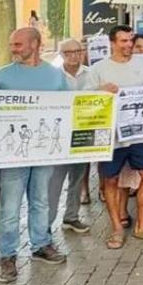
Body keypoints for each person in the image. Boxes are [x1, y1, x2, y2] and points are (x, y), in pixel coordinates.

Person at [0, 27, 69, 283]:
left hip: (43, 154)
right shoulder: (3, 75)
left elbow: (68, 108)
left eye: (18, 44)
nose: (14, 49)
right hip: (13, 156)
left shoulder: (55, 75)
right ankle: (7, 255)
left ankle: (41, 244)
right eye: (12, 44)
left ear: (35, 43)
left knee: (41, 200)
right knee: (10, 207)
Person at [86, 25, 143, 248]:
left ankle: (141, 226)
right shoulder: (99, 68)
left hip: (139, 132)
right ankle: (117, 228)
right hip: (111, 135)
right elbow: (86, 99)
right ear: (112, 43)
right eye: (123, 41)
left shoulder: (141, 66)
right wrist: (100, 90)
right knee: (110, 180)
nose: (128, 45)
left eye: (130, 41)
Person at [47, 38, 90, 238]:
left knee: (77, 177)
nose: (74, 55)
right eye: (69, 52)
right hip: (59, 137)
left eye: (78, 51)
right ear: (62, 54)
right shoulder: (52, 76)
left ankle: (71, 216)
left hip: (82, 136)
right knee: (54, 181)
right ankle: (46, 223)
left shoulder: (91, 74)